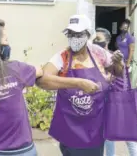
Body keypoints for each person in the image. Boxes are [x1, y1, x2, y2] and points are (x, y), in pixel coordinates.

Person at [0, 18, 101, 156]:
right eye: (6, 40)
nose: (8, 44)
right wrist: (79, 83)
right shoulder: (17, 70)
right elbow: (40, 72)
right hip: (23, 152)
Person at [37, 14, 124, 156]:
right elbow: (42, 80)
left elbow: (117, 73)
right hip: (70, 127)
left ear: (88, 34)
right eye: (71, 34)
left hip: (95, 127)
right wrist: (78, 83)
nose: (74, 38)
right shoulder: (62, 57)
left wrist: (118, 63)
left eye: (79, 34)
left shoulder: (99, 53)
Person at [94, 27, 137, 156]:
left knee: (129, 137)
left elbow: (121, 78)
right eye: (93, 39)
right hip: (102, 102)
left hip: (119, 101)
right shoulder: (91, 59)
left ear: (107, 41)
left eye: (98, 39)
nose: (95, 42)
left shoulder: (113, 57)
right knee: (108, 136)